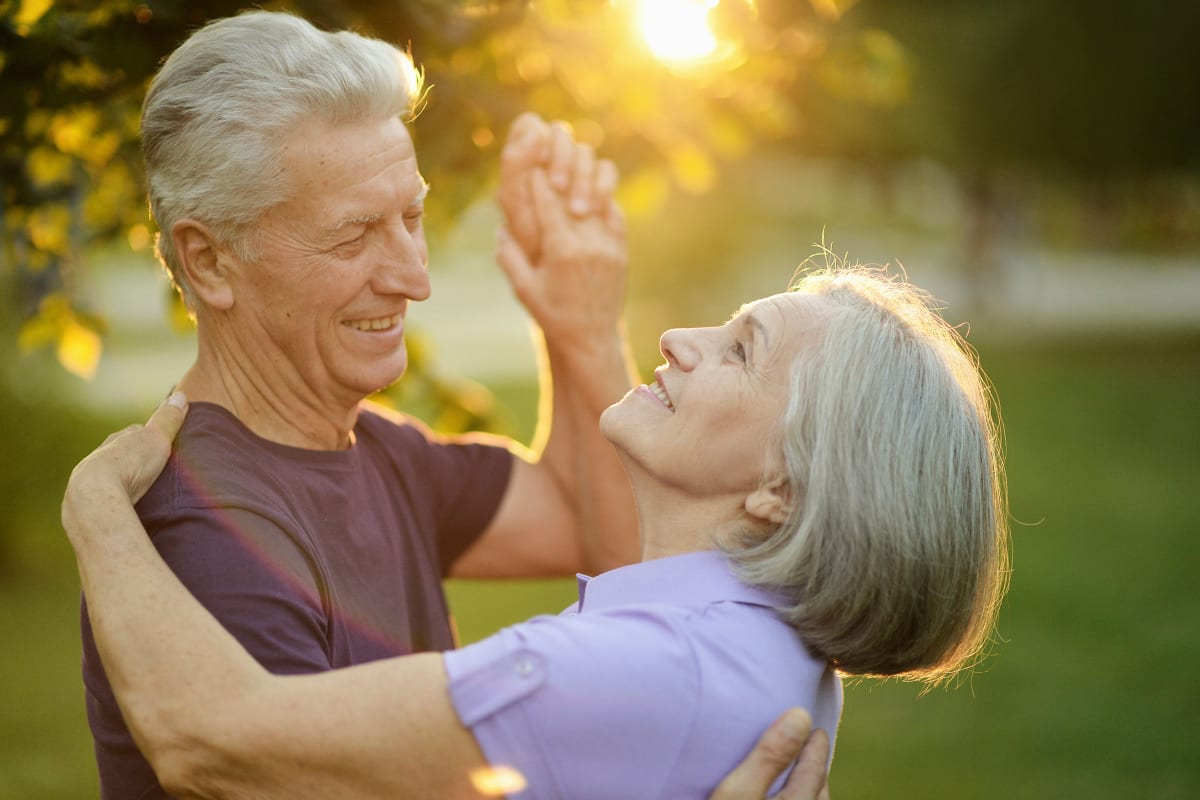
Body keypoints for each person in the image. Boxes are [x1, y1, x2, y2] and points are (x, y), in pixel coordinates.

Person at [64, 262, 1010, 798]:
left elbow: (208, 740)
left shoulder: (630, 669)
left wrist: (100, 513)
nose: (680, 340)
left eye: (739, 350)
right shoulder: (770, 650)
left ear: (779, 489)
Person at [79, 10, 641, 798]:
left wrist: (580, 328)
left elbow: (601, 531)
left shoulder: (372, 448)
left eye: (410, 217)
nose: (414, 277)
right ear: (208, 261)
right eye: (354, 237)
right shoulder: (208, 529)